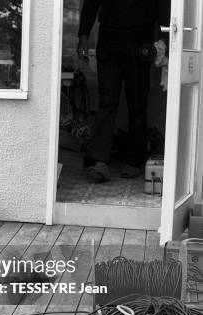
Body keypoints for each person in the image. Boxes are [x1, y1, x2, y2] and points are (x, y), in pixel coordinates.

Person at [77, 0, 170, 182]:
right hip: (109, 37)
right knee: (107, 100)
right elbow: (91, 3)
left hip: (140, 37)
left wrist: (165, 38)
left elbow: (162, 5)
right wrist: (83, 36)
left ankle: (134, 160)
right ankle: (99, 161)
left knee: (137, 101)